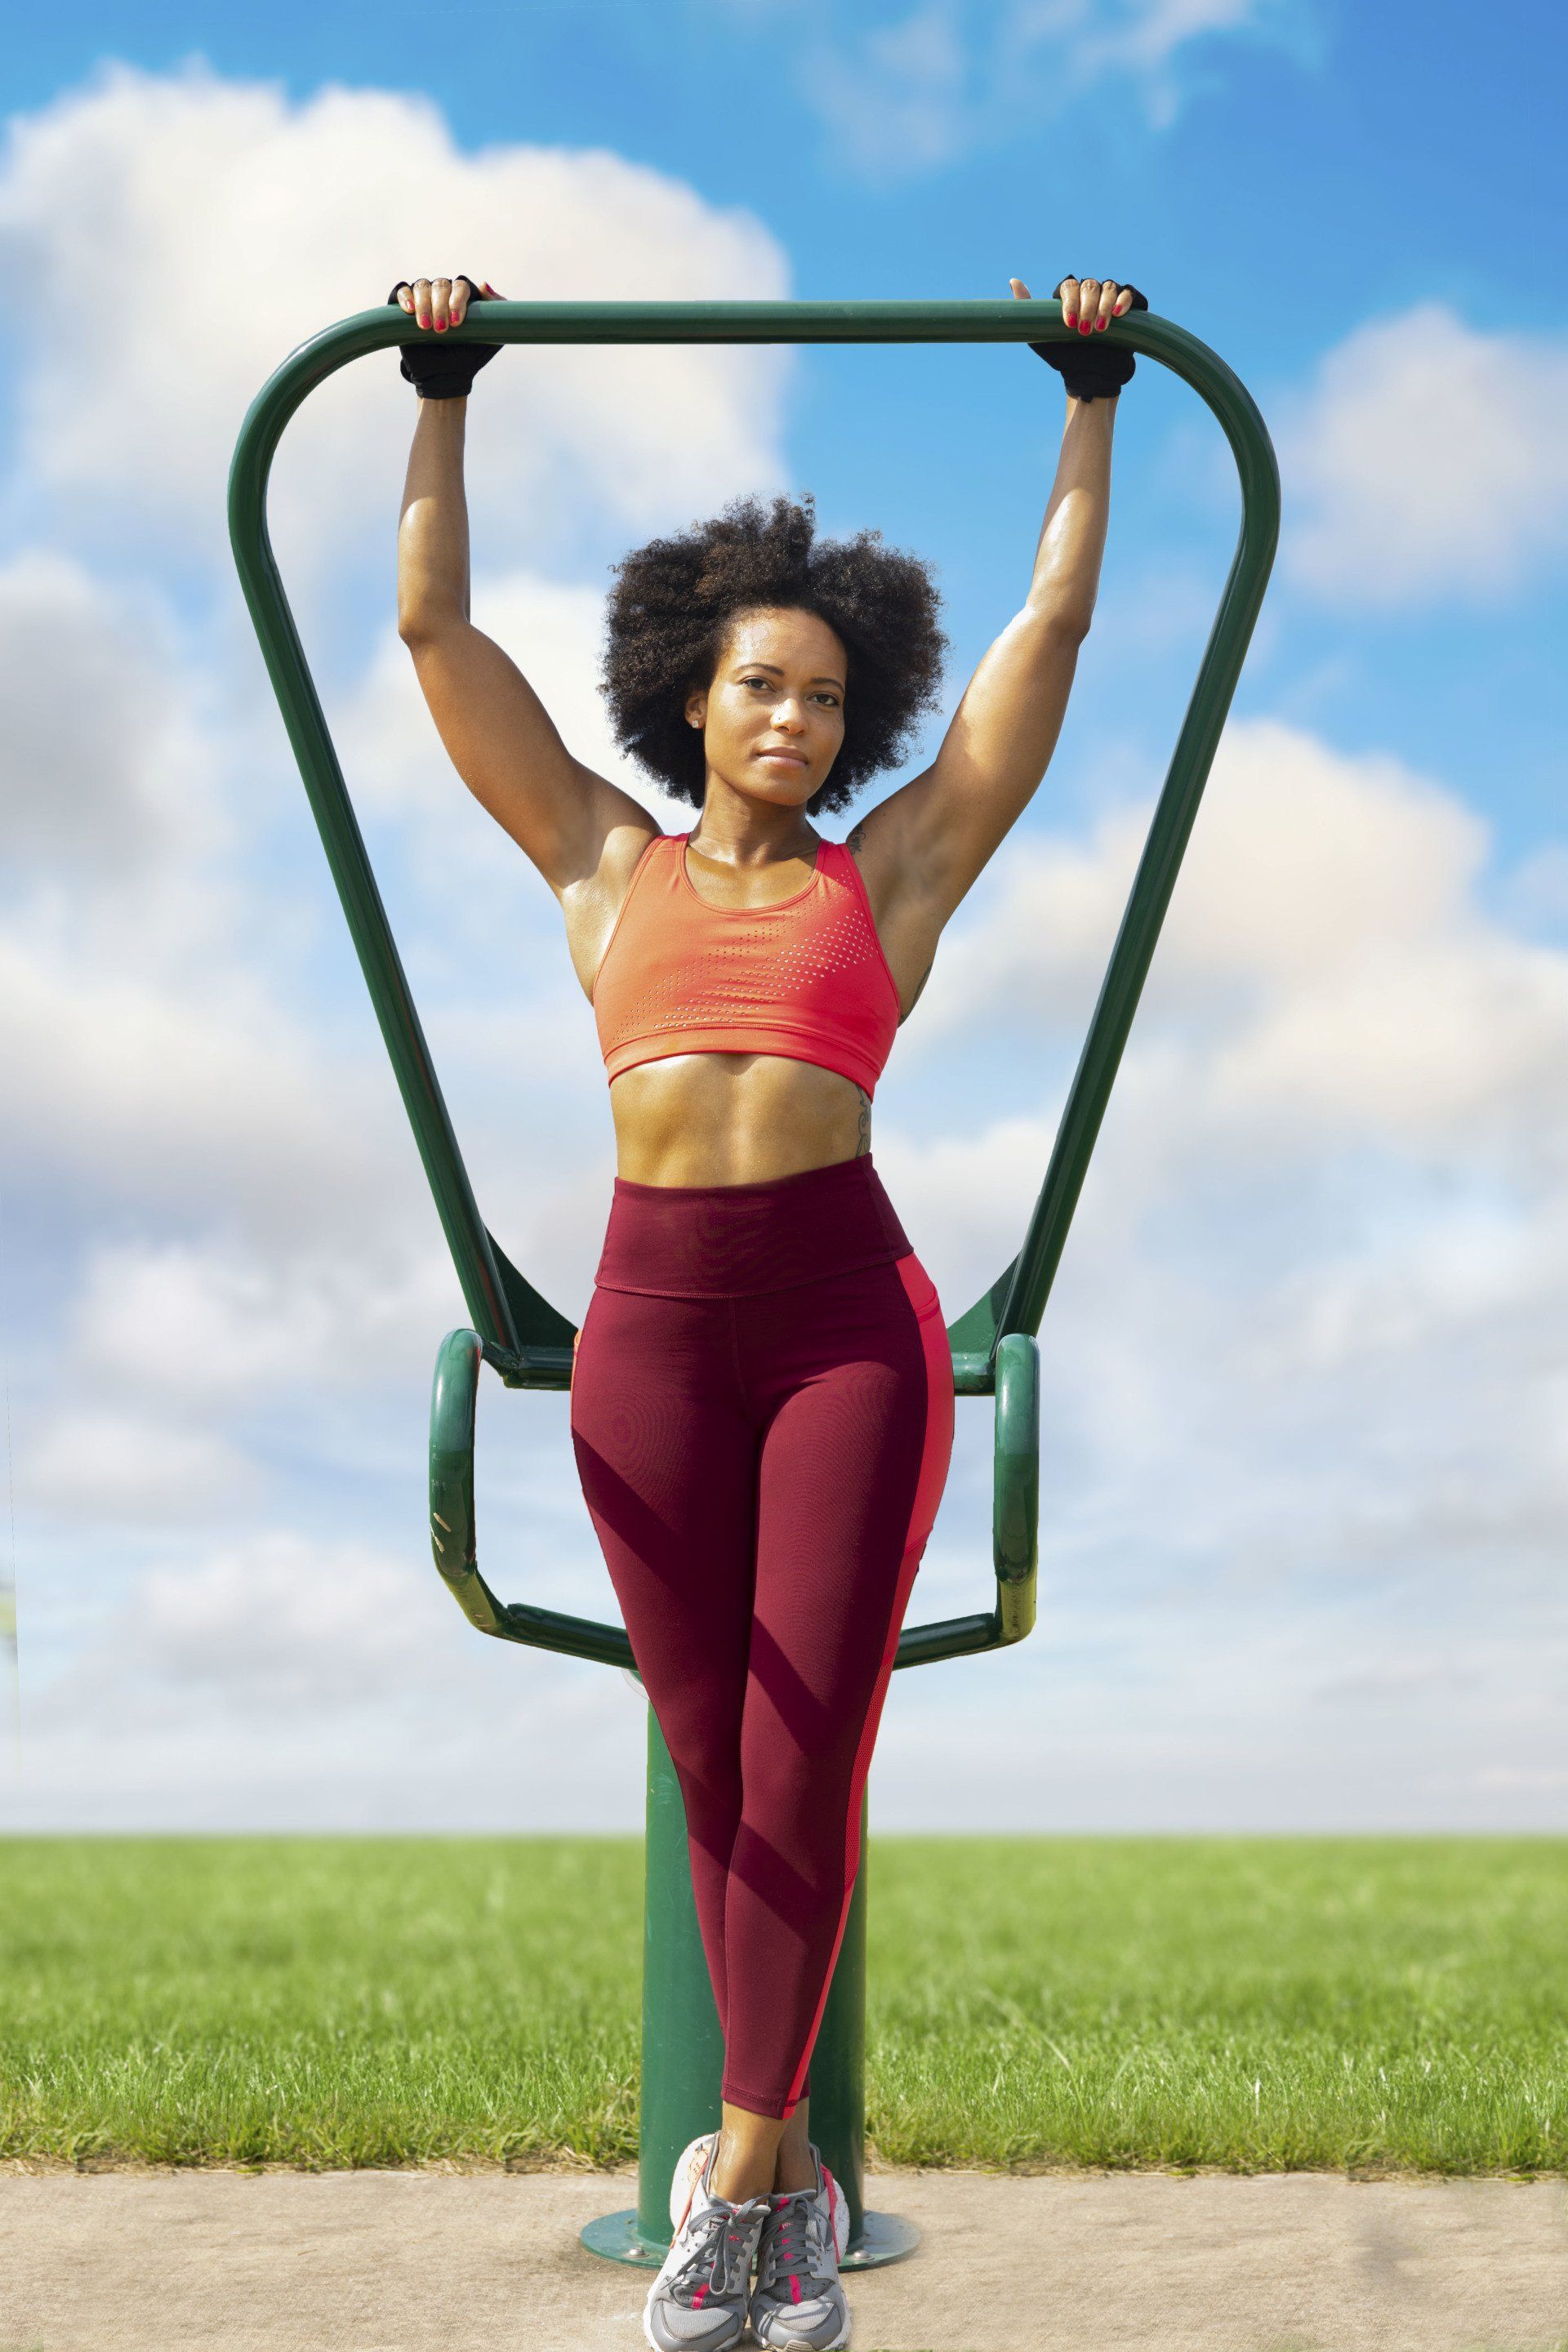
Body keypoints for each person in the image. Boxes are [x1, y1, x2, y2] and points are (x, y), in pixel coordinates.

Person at [391, 266, 1144, 2352]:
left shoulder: (879, 881)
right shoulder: (596, 867)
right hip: (649, 1328)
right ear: (691, 699)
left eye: (822, 694)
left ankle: (736, 2187)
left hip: (840, 1324)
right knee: (712, 1759)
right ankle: (792, 2184)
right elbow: (439, 638)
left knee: (811, 1745)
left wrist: (1088, 396)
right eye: (758, 688)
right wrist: (439, 381)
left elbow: (1048, 641)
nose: (793, 721)